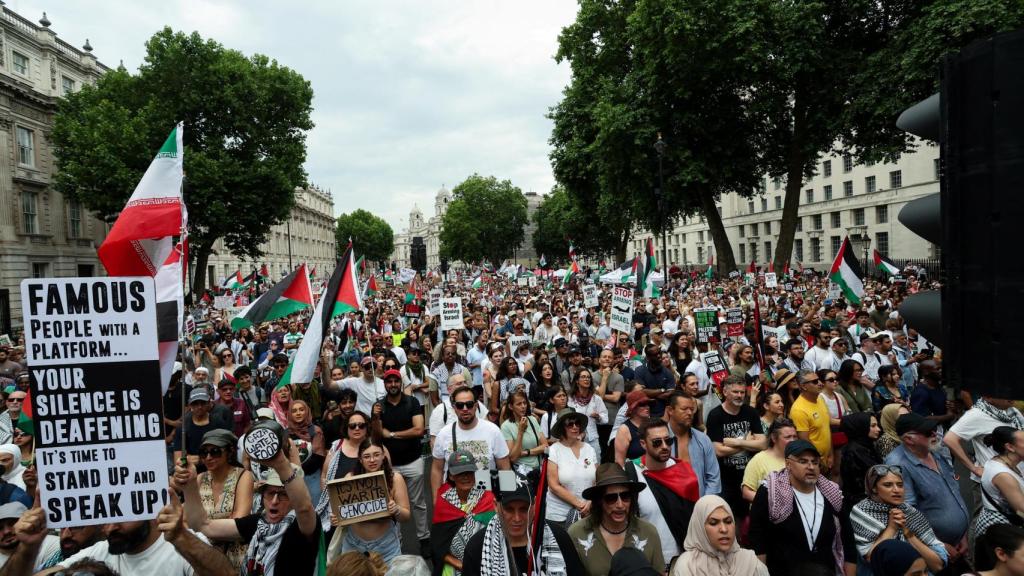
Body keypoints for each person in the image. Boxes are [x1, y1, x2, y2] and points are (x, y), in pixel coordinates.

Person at [177, 438, 321, 576]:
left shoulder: (303, 525)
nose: (274, 501)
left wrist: (281, 463)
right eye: (270, 493)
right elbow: (203, 526)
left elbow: (304, 508)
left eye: (283, 495)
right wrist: (189, 486)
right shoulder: (258, 522)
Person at [22, 496, 236, 576]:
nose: (110, 528)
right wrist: (27, 547)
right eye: (105, 519)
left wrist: (181, 537)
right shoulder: (102, 551)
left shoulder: (183, 545)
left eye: (121, 517)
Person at [747, 439, 856, 576]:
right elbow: (758, 541)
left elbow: (848, 540)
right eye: (803, 461)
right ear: (788, 464)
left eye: (815, 462)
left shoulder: (832, 494)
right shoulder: (770, 493)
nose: (811, 467)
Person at [885, 413, 970, 569]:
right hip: (933, 551)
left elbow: (953, 490)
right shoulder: (897, 464)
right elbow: (906, 512)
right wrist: (938, 544)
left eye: (934, 429)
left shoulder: (934, 450)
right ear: (909, 439)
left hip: (957, 542)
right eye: (927, 432)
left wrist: (962, 534)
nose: (934, 434)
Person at [461, 476, 585, 576]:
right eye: (509, 509)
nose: (517, 518)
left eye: (524, 509)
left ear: (535, 505)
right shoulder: (477, 547)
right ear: (495, 506)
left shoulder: (559, 537)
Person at [568, 462, 665, 576]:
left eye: (625, 496)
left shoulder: (648, 532)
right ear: (599, 501)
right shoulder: (577, 533)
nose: (620, 505)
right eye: (611, 498)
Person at [849, 464, 947, 574]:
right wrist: (892, 528)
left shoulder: (909, 511)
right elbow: (872, 558)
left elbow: (938, 565)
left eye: (900, 485)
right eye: (888, 485)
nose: (896, 490)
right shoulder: (862, 512)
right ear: (874, 488)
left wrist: (908, 533)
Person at [628, 418, 700, 565]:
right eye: (657, 442)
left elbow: (694, 518)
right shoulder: (631, 473)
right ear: (643, 444)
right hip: (648, 561)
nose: (665, 446)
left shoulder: (683, 471)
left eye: (668, 441)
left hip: (683, 559)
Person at [332, 438, 411, 565]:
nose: (372, 460)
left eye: (376, 454)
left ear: (383, 455)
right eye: (367, 456)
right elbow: (343, 512)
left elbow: (406, 516)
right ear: (360, 459)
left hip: (386, 546)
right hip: (353, 545)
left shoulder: (395, 479)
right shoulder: (350, 478)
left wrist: (396, 509)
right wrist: (337, 518)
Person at [376, 369, 429, 556]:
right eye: (389, 381)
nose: (393, 385)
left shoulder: (412, 402)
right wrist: (375, 417)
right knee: (392, 505)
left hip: (413, 461)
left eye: (395, 381)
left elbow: (418, 430)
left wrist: (392, 434)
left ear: (400, 383)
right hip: (390, 466)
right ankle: (396, 541)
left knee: (418, 502)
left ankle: (424, 538)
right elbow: (377, 435)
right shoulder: (379, 406)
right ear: (385, 384)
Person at [430, 386, 511, 496]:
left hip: (486, 498)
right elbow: (437, 470)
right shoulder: (444, 434)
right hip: (455, 498)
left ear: (476, 406)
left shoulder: (493, 431)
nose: (465, 409)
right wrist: (436, 500)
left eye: (469, 404)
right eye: (460, 405)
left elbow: (505, 467)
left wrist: (506, 499)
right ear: (454, 407)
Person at [706, 376, 765, 521]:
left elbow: (763, 444)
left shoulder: (750, 412)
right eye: (735, 392)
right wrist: (747, 442)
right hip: (726, 479)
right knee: (730, 518)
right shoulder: (715, 415)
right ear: (725, 392)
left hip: (749, 475)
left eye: (742, 392)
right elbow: (718, 451)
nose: (739, 395)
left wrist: (736, 443)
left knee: (751, 516)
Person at [430, 450, 496, 576]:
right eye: (460, 473)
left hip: (485, 565)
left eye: (469, 472)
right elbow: (437, 546)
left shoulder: (489, 499)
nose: (465, 477)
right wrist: (462, 565)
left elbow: (497, 536)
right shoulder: (444, 502)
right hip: (454, 568)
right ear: (451, 476)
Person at [195, 429, 253, 570]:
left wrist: (202, 525)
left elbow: (238, 522)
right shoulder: (200, 479)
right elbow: (189, 520)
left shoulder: (243, 476)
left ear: (230, 451)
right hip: (205, 558)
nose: (208, 457)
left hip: (235, 557)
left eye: (215, 452)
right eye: (204, 453)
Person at [670, 494, 769, 576]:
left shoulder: (750, 562)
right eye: (713, 523)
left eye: (728, 521)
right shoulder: (688, 566)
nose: (724, 529)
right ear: (700, 528)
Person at [945, 396, 1024, 485]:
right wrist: (974, 469)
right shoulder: (976, 414)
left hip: (1017, 477)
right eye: (1004, 393)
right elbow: (950, 439)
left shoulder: (1013, 412)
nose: (1011, 395)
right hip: (993, 482)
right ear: (988, 397)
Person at [316, 411, 371, 528]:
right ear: (346, 428)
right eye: (352, 426)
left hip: (369, 511)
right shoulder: (337, 446)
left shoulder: (376, 447)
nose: (357, 428)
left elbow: (386, 476)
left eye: (361, 425)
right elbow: (324, 476)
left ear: (367, 427)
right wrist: (333, 501)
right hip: (338, 511)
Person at [546, 408, 598, 527]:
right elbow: (553, 485)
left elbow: (597, 480)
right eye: (570, 424)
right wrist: (580, 505)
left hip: (588, 512)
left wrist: (590, 502)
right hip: (559, 515)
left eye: (577, 423)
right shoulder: (554, 450)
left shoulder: (589, 449)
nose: (575, 427)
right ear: (562, 428)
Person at [664, 392, 721, 498]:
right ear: (670, 410)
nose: (690, 413)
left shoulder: (703, 439)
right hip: (669, 503)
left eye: (692, 409)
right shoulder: (659, 441)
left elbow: (713, 478)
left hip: (701, 501)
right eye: (684, 409)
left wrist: (705, 503)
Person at [975, 427, 1024, 541]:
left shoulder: (1000, 461)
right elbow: (1021, 510)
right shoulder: (1003, 475)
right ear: (1010, 447)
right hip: (1001, 530)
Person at [741, 418, 797, 502]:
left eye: (795, 436)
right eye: (788, 437)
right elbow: (746, 493)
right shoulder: (759, 460)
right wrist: (774, 502)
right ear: (774, 438)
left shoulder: (799, 458)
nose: (792, 441)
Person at [789, 369, 834, 471]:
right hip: (813, 463)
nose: (820, 383)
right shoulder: (798, 410)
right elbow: (804, 441)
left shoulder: (820, 399)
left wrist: (831, 454)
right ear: (803, 386)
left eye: (819, 380)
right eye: (815, 382)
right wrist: (818, 461)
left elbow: (826, 429)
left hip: (827, 459)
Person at [840, 412, 882, 513]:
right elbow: (857, 487)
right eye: (873, 426)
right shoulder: (853, 452)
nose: (878, 429)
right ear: (861, 427)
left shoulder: (868, 446)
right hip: (862, 507)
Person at [286, 399, 326, 506]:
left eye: (301, 410)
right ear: (290, 414)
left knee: (316, 507)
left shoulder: (315, 431)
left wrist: (298, 469)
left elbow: (318, 457)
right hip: (292, 479)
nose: (298, 413)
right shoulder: (286, 434)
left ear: (307, 411)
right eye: (294, 411)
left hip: (312, 476)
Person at [500, 391, 547, 483]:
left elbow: (545, 446)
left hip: (538, 471)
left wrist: (526, 452)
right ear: (511, 406)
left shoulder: (532, 420)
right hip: (521, 474)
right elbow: (513, 457)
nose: (523, 406)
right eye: (519, 404)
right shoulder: (506, 426)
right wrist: (520, 431)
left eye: (525, 403)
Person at [566, 368, 608, 457]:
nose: (586, 379)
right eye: (583, 377)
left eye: (588, 377)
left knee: (595, 463)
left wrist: (598, 417)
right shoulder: (570, 399)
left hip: (592, 439)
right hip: (575, 438)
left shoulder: (596, 398)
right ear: (577, 381)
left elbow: (605, 419)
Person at [614, 390, 652, 466]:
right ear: (633, 408)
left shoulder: (653, 425)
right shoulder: (624, 429)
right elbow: (619, 461)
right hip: (634, 471)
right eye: (642, 405)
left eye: (648, 404)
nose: (647, 407)